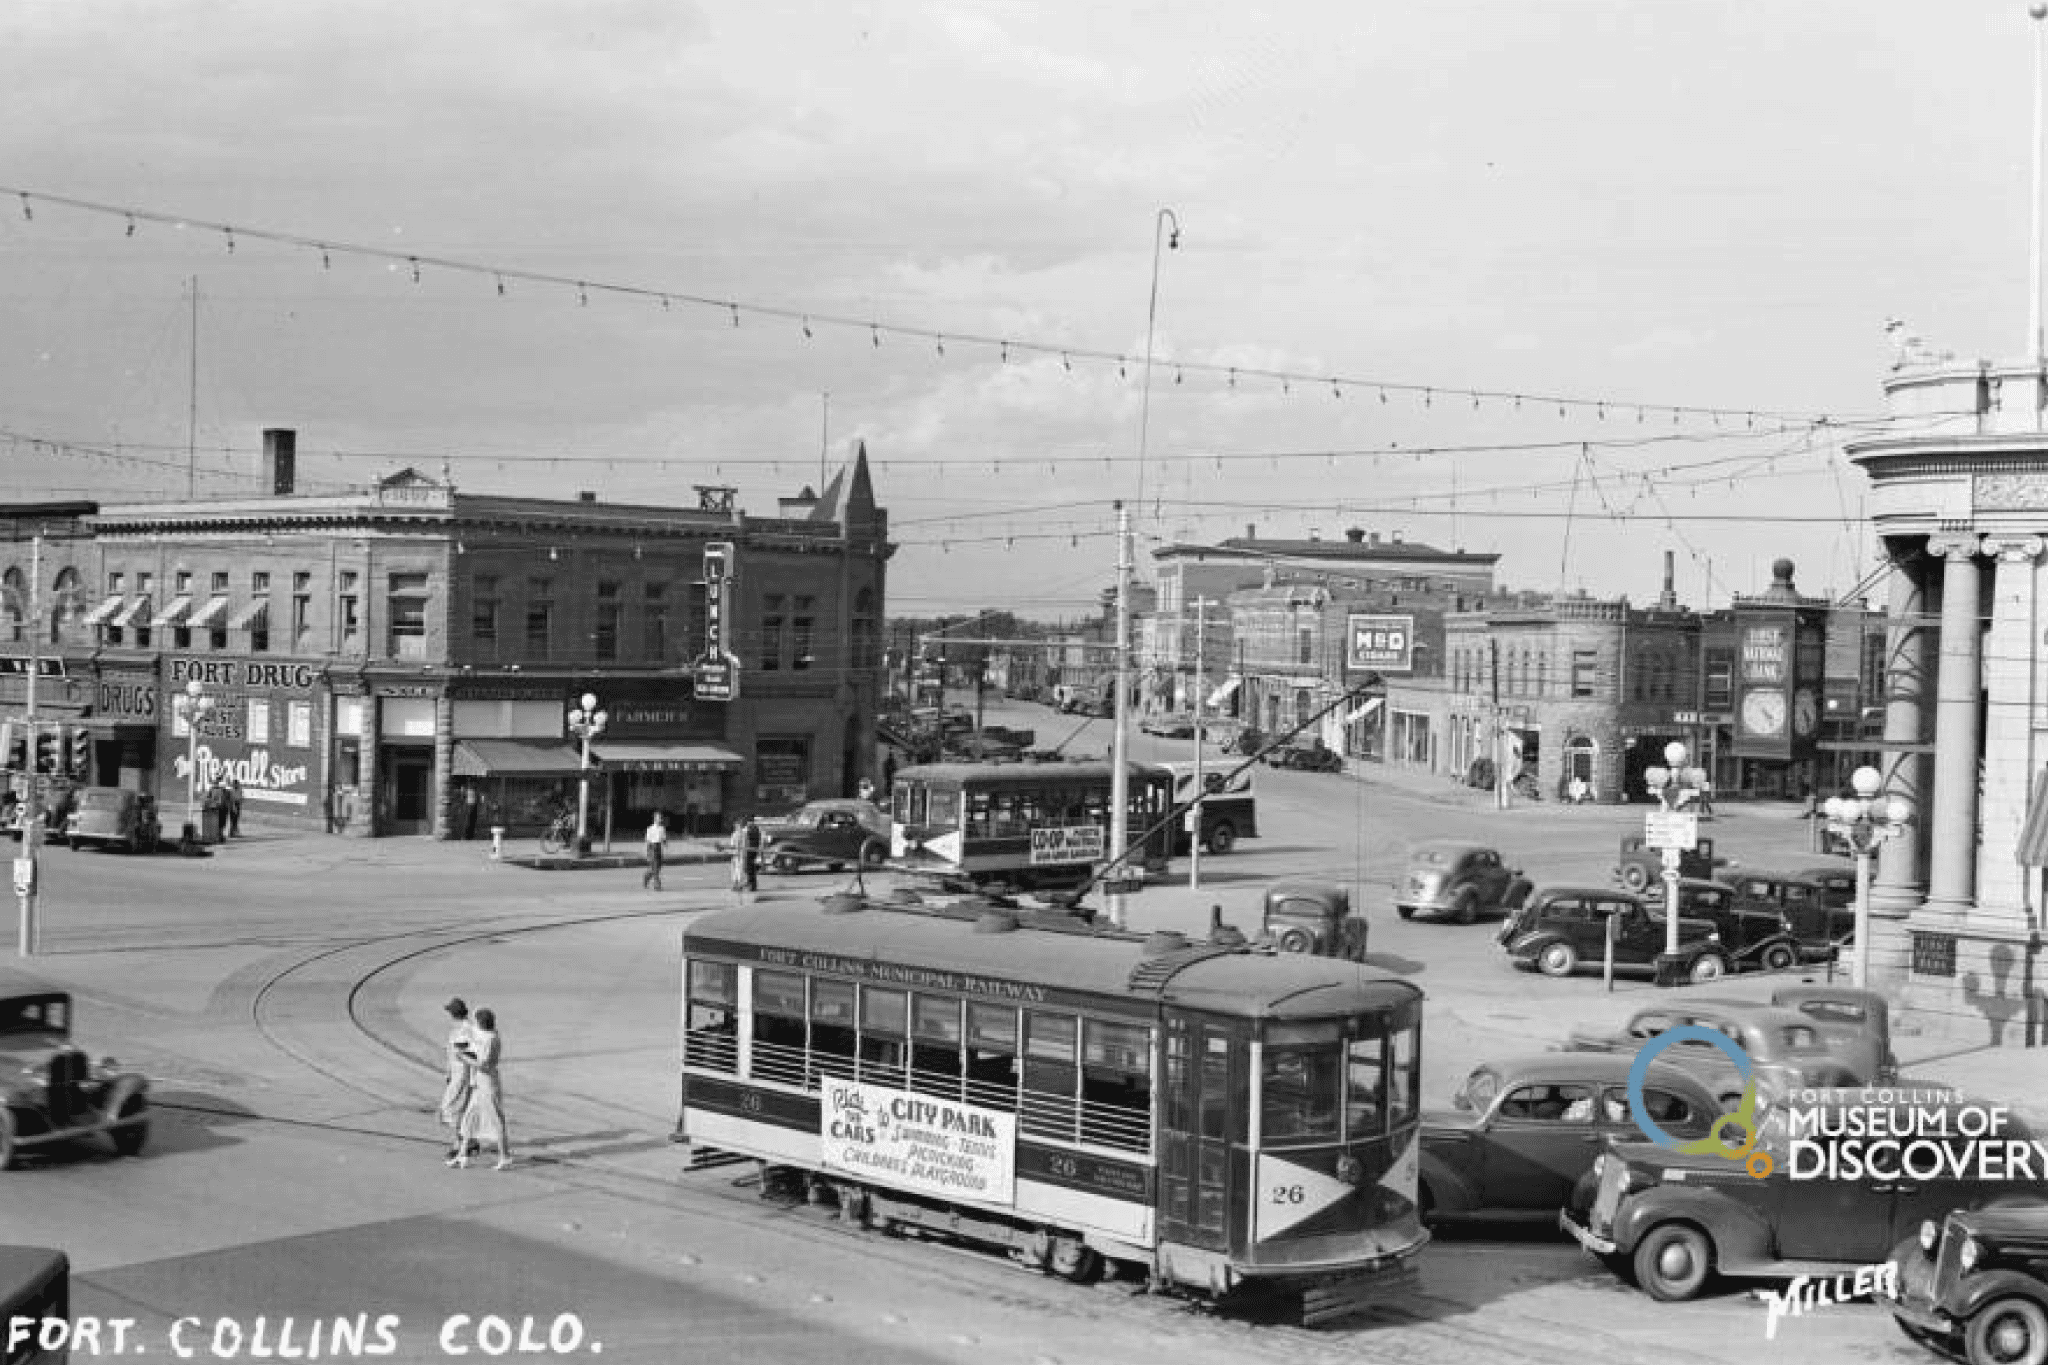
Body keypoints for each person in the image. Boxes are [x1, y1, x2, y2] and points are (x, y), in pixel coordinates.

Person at [450, 1007, 510, 1170]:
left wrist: (462, 1057)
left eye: (477, 1021)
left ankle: (505, 1156)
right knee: (469, 1118)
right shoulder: (486, 1033)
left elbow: (484, 1065)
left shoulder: (492, 1040)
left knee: (496, 1120)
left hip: (488, 1083)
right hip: (478, 1083)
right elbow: (472, 1033)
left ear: (482, 1024)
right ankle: (462, 1155)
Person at [439, 998, 477, 1158]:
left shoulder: (465, 1030)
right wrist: (449, 1073)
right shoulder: (461, 1027)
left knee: (450, 1109)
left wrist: (459, 1076)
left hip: (462, 1074)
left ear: (454, 1014)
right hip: (457, 1073)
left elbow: (465, 1054)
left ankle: (460, 1143)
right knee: (456, 1109)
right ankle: (470, 1142)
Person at [643, 810, 668, 891]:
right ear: (655, 819)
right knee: (655, 867)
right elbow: (648, 841)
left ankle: (647, 876)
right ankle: (657, 885)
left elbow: (663, 839)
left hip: (659, 848)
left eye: (661, 817)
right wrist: (648, 852)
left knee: (658, 866)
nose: (660, 819)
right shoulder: (650, 829)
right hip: (652, 848)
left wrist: (665, 844)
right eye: (658, 817)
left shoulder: (662, 829)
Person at [741, 817, 763, 892]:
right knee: (752, 869)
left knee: (749, 868)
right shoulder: (757, 829)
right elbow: (760, 840)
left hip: (749, 851)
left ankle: (751, 885)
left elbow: (745, 841)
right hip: (754, 850)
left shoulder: (747, 830)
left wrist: (744, 851)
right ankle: (752, 884)